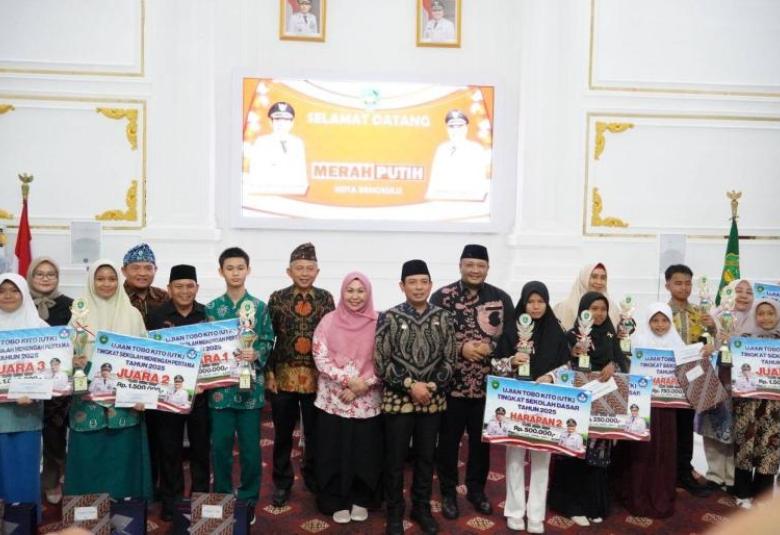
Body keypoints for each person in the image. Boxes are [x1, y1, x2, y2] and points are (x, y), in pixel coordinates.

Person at [431, 244, 514, 520]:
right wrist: (460, 348)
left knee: (481, 445)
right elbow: (431, 337)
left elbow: (511, 338)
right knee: (448, 444)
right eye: (470, 264)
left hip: (487, 388)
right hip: (451, 388)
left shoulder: (501, 298)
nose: (475, 270)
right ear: (460, 266)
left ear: (488, 268)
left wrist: (492, 348)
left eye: (480, 265)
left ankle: (477, 491)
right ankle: (448, 492)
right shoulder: (442, 297)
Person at [376, 259, 456, 535]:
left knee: (426, 458)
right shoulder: (389, 317)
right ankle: (394, 512)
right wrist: (411, 385)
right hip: (398, 401)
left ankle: (421, 508)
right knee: (394, 459)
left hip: (432, 400)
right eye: (412, 282)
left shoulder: (444, 317)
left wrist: (430, 387)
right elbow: (381, 362)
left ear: (431, 285)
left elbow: (450, 360)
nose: (419, 287)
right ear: (402, 286)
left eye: (423, 282)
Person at [63, 259, 152, 500]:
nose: (106, 283)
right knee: (89, 455)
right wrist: (74, 362)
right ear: (91, 281)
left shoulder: (132, 314)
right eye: (100, 279)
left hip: (124, 402)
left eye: (112, 279)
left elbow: (145, 358)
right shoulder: (78, 316)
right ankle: (85, 509)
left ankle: (126, 509)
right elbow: (63, 357)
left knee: (122, 457)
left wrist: (143, 395)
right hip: (88, 400)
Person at [492, 281, 571, 532]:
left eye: (540, 301)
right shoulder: (511, 330)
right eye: (531, 301)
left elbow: (567, 366)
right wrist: (511, 361)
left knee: (541, 459)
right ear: (523, 303)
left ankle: (536, 515)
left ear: (547, 303)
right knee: (514, 458)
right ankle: (515, 511)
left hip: (545, 404)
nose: (536, 306)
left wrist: (551, 377)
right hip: (516, 403)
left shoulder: (556, 331)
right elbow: (495, 365)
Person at [206, 248, 274, 524]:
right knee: (220, 448)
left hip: (250, 390)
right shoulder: (211, 309)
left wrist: (256, 352)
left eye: (240, 267)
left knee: (250, 450)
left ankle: (248, 501)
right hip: (220, 391)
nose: (235, 273)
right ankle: (222, 498)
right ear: (221, 271)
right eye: (230, 268)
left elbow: (268, 339)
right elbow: (207, 347)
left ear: (248, 270)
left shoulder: (260, 307)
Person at [548, 292, 626, 527]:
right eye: (593, 308)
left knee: (596, 457)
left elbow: (623, 363)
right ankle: (572, 505)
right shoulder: (571, 336)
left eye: (603, 309)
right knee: (574, 452)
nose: (598, 313)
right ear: (583, 310)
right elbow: (560, 365)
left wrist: (614, 366)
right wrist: (572, 354)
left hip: (602, 406)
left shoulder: (611, 335)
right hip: (576, 406)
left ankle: (593, 505)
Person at [267, 243, 335, 507]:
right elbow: (268, 338)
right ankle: (282, 482)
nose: (304, 273)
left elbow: (331, 338)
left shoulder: (326, 299)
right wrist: (269, 372)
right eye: (299, 268)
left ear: (317, 271)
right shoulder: (277, 298)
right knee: (283, 434)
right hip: (283, 377)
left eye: (309, 268)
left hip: (317, 379)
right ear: (289, 271)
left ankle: (313, 478)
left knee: (316, 435)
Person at [312, 272, 383, 525]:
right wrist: (349, 381)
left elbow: (387, 358)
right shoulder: (328, 321)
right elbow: (320, 357)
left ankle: (361, 498)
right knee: (333, 451)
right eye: (350, 291)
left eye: (360, 291)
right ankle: (335, 499)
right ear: (342, 293)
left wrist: (364, 384)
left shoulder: (380, 322)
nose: (355, 296)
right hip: (334, 399)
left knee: (364, 452)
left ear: (368, 293)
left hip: (367, 399)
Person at [147, 264, 211, 521]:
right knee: (169, 450)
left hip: (201, 395)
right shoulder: (155, 317)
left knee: (201, 449)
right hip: (167, 398)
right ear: (169, 288)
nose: (185, 291)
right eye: (179, 286)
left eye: (189, 286)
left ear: (197, 288)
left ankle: (201, 499)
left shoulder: (207, 316)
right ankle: (171, 501)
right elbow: (148, 357)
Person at [613, 302, 687, 518]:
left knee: (664, 450)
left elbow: (689, 369)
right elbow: (627, 370)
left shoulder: (677, 343)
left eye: (664, 320)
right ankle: (637, 493)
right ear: (648, 322)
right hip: (643, 407)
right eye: (655, 320)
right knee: (641, 452)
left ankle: (660, 492)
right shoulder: (639, 341)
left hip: (666, 409)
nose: (660, 325)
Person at [697, 278, 754, 493]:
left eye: (748, 292)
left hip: (742, 386)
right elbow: (703, 344)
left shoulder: (756, 321)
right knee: (712, 425)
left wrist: (735, 340)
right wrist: (712, 337)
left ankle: (731, 477)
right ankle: (714, 474)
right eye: (738, 290)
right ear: (728, 293)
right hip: (716, 379)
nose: (743, 295)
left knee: (736, 428)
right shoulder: (715, 316)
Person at [122, 243, 170, 497]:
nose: (142, 272)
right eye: (136, 267)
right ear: (124, 270)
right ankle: (132, 486)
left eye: (147, 267)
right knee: (128, 435)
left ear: (155, 270)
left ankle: (155, 487)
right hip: (126, 377)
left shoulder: (165, 298)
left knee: (159, 435)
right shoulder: (115, 296)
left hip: (158, 378)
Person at [664, 264, 716, 497]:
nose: (683, 287)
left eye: (687, 283)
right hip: (667, 378)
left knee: (686, 426)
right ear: (667, 285)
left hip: (694, 376)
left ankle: (684, 471)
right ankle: (666, 472)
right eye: (678, 283)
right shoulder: (662, 313)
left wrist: (713, 331)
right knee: (667, 427)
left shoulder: (700, 313)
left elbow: (712, 342)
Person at [0, 273, 48, 514]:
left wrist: (34, 389)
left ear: (24, 294)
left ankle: (25, 521)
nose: (7, 295)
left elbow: (53, 368)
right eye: (2, 291)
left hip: (27, 413)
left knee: (23, 467)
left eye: (14, 290)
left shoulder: (40, 328)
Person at [27, 257, 73, 504]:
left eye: (51, 274)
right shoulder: (19, 302)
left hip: (57, 385)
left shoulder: (70, 305)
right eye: (39, 274)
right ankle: (27, 481)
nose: (45, 278)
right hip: (26, 383)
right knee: (28, 436)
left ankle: (52, 479)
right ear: (31, 276)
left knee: (55, 435)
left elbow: (76, 340)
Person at [732, 298, 780, 508]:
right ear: (755, 315)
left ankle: (762, 495)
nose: (765, 318)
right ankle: (742, 492)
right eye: (761, 313)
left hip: (774, 405)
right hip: (747, 403)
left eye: (771, 313)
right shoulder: (744, 339)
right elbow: (732, 365)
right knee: (745, 444)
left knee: (769, 447)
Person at [425, 111, 489, 202]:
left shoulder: (476, 149)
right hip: (444, 202)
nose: (455, 130)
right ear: (447, 129)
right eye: (451, 127)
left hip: (470, 202)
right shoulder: (442, 149)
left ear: (465, 128)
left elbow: (481, 185)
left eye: (459, 126)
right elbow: (433, 183)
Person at [246, 102, 308, 196]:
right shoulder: (262, 143)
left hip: (293, 195)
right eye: (277, 120)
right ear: (271, 122)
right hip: (267, 194)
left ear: (291, 123)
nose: (281, 124)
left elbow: (302, 177)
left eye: (285, 120)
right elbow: (255, 176)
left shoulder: (297, 144)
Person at [553, 263, 621, 331]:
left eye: (603, 278)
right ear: (584, 278)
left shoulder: (613, 309)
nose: (599, 282)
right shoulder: (563, 308)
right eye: (594, 277)